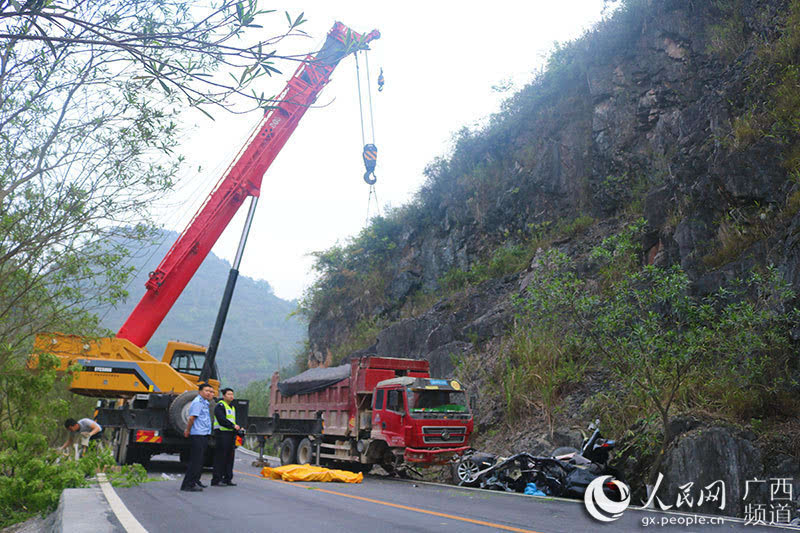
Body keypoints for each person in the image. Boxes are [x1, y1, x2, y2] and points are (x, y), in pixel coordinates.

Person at [180, 382, 215, 492]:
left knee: (200, 461)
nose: (209, 393)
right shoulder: (197, 402)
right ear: (200, 391)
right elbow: (191, 418)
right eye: (206, 391)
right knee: (195, 461)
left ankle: (195, 481)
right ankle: (188, 484)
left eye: (211, 391)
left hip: (203, 434)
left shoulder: (205, 402)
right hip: (198, 434)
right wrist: (188, 430)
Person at [211, 387, 241, 487]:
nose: (231, 396)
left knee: (230, 457)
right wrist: (233, 426)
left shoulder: (232, 407)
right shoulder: (220, 406)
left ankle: (227, 479)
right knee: (220, 457)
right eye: (229, 394)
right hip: (222, 434)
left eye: (232, 394)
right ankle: (216, 479)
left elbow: (233, 420)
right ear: (223, 396)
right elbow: (221, 420)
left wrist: (237, 429)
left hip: (231, 435)